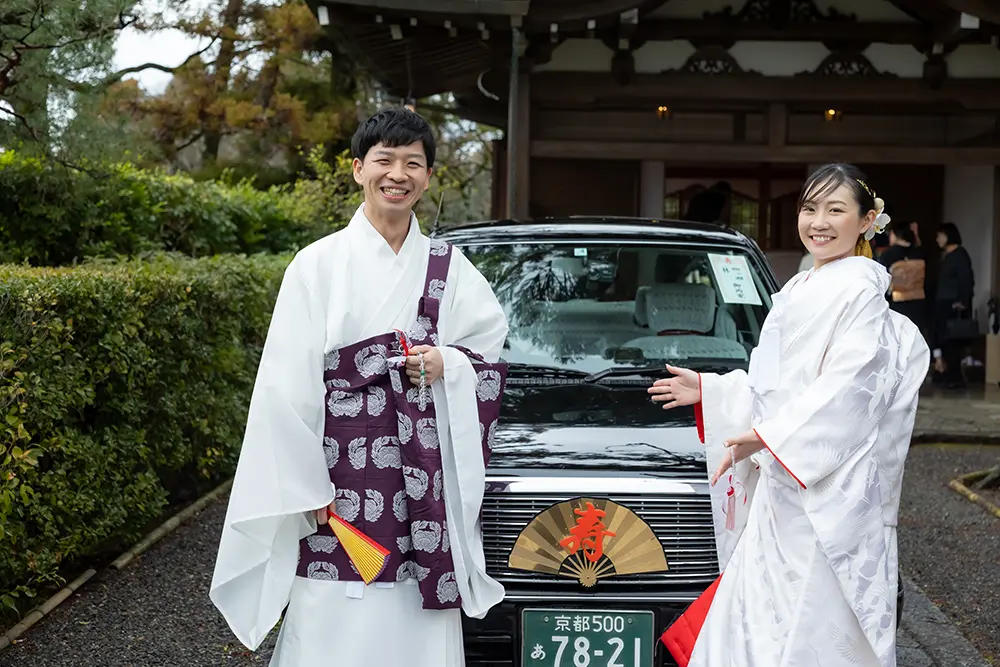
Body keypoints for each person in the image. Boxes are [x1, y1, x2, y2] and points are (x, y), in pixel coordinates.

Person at [209, 108, 509, 667]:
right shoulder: (316, 264)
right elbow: (283, 383)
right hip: (337, 471)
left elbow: (487, 351)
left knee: (415, 613)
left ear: (427, 177)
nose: (398, 174)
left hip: (423, 471)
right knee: (332, 603)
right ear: (357, 169)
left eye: (413, 163)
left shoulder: (450, 267)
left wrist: (445, 361)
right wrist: (306, 484)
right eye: (385, 160)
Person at [650, 163, 929, 667]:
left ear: (867, 220)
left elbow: (848, 392)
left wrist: (768, 435)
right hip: (783, 485)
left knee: (805, 630)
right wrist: (714, 389)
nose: (818, 221)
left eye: (835, 210)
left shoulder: (862, 293)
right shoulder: (802, 286)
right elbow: (776, 388)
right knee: (758, 622)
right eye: (809, 208)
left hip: (824, 495)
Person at [931, 222, 975, 388]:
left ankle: (953, 375)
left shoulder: (960, 255)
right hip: (942, 301)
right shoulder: (947, 256)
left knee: (951, 340)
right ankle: (942, 371)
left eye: (940, 236)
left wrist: (963, 301)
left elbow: (966, 279)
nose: (938, 240)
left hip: (953, 303)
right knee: (941, 337)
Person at [878, 222, 926, 334]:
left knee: (898, 334)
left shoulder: (889, 254)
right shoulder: (918, 252)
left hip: (897, 299)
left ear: (894, 234)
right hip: (917, 298)